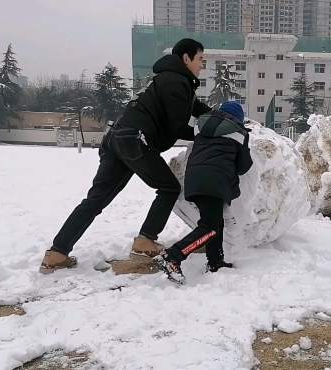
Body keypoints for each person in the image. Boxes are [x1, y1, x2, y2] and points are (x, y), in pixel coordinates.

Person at [39, 38, 211, 273]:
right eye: (201, 59)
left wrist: (222, 119)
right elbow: (178, 126)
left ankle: (57, 253)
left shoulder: (169, 80)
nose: (203, 64)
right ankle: (145, 241)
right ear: (186, 58)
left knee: (96, 199)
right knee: (169, 187)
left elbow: (196, 108)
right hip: (134, 140)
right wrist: (210, 135)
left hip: (116, 138)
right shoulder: (176, 82)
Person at [155, 101, 253, 284]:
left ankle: (215, 262)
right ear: (239, 118)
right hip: (216, 181)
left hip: (194, 179)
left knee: (214, 223)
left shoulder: (200, 126)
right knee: (209, 228)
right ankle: (173, 256)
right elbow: (244, 166)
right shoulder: (239, 133)